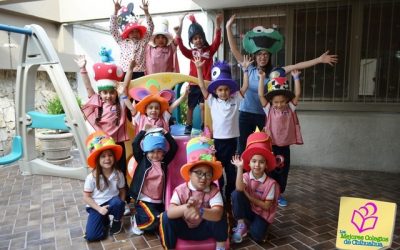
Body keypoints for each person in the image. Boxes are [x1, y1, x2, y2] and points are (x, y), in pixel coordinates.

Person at [225, 14, 338, 154]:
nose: (262, 57)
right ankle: (243, 175)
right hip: (245, 114)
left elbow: (298, 65)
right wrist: (228, 27)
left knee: (262, 148)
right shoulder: (249, 68)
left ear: (269, 56)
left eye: (266, 54)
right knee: (242, 147)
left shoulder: (276, 72)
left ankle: (262, 175)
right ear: (255, 56)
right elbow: (234, 50)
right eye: (259, 54)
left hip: (264, 115)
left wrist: (319, 60)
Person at [194, 55, 251, 201]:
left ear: (230, 90)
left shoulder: (236, 99)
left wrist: (245, 70)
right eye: (220, 89)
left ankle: (231, 197)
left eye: (226, 89)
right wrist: (199, 69)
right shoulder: (212, 101)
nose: (223, 92)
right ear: (216, 91)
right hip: (218, 143)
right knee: (217, 172)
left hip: (233, 142)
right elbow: (201, 86)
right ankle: (217, 196)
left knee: (232, 172)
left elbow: (245, 87)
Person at [159, 136, 228, 250]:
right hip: (184, 229)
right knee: (165, 217)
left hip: (205, 230)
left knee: (221, 215)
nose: (203, 178)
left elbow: (217, 214)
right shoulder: (181, 190)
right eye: (199, 173)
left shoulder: (213, 190)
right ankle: (169, 248)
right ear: (190, 174)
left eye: (208, 174)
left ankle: (220, 246)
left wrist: (199, 210)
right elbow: (170, 212)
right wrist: (186, 208)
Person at [76, 56, 133, 185]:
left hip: (118, 144)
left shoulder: (121, 103)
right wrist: (82, 69)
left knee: (120, 170)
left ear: (116, 93)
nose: (108, 95)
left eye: (111, 92)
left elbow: (125, 86)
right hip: (101, 144)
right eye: (105, 93)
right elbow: (88, 88)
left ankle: (122, 195)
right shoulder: (98, 103)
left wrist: (130, 69)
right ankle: (102, 192)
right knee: (102, 170)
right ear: (100, 94)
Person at [258, 68, 303, 207]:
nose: (279, 105)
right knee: (270, 170)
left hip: (285, 148)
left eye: (282, 101)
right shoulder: (269, 109)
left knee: (283, 171)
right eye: (276, 102)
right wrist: (261, 78)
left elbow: (298, 94)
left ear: (287, 100)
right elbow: (261, 95)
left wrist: (296, 78)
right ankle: (270, 193)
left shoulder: (290, 107)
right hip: (271, 147)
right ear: (271, 101)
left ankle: (280, 194)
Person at [175, 13, 223, 134]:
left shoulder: (209, 51)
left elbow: (216, 42)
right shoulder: (191, 53)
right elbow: (180, 46)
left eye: (200, 37)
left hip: (206, 84)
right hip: (193, 84)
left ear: (204, 38)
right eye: (195, 38)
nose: (198, 40)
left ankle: (204, 126)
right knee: (190, 107)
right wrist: (178, 32)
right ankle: (188, 126)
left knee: (203, 106)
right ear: (191, 41)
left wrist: (218, 26)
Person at [230, 131, 281, 243]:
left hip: (262, 214)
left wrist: (249, 197)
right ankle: (241, 223)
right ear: (249, 163)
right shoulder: (246, 176)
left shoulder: (271, 183)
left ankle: (253, 226)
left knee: (257, 236)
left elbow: (266, 206)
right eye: (254, 161)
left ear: (266, 165)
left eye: (261, 162)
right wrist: (239, 168)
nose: (257, 165)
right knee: (236, 194)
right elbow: (239, 188)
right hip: (249, 209)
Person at [129, 126, 178, 235]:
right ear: (146, 151)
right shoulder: (142, 160)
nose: (155, 155)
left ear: (163, 153)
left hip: (158, 200)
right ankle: (136, 221)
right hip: (143, 199)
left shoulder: (164, 162)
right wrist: (143, 131)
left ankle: (143, 219)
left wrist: (166, 133)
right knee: (153, 219)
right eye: (152, 151)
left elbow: (174, 147)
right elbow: (135, 144)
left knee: (163, 220)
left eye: (159, 151)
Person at [83, 131, 126, 241]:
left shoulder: (118, 173)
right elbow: (86, 197)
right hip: (97, 206)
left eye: (110, 155)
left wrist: (121, 206)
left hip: (113, 203)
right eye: (103, 156)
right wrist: (99, 209)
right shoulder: (91, 177)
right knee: (92, 236)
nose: (107, 159)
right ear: (97, 160)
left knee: (117, 202)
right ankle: (104, 220)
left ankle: (116, 221)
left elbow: (122, 190)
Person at [110, 0, 154, 78]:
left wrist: (146, 13)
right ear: (127, 33)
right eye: (132, 32)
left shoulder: (142, 42)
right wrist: (115, 11)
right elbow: (113, 30)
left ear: (140, 33)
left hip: (139, 72)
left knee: (139, 90)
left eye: (137, 31)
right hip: (125, 72)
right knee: (125, 90)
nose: (135, 33)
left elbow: (150, 28)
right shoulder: (122, 42)